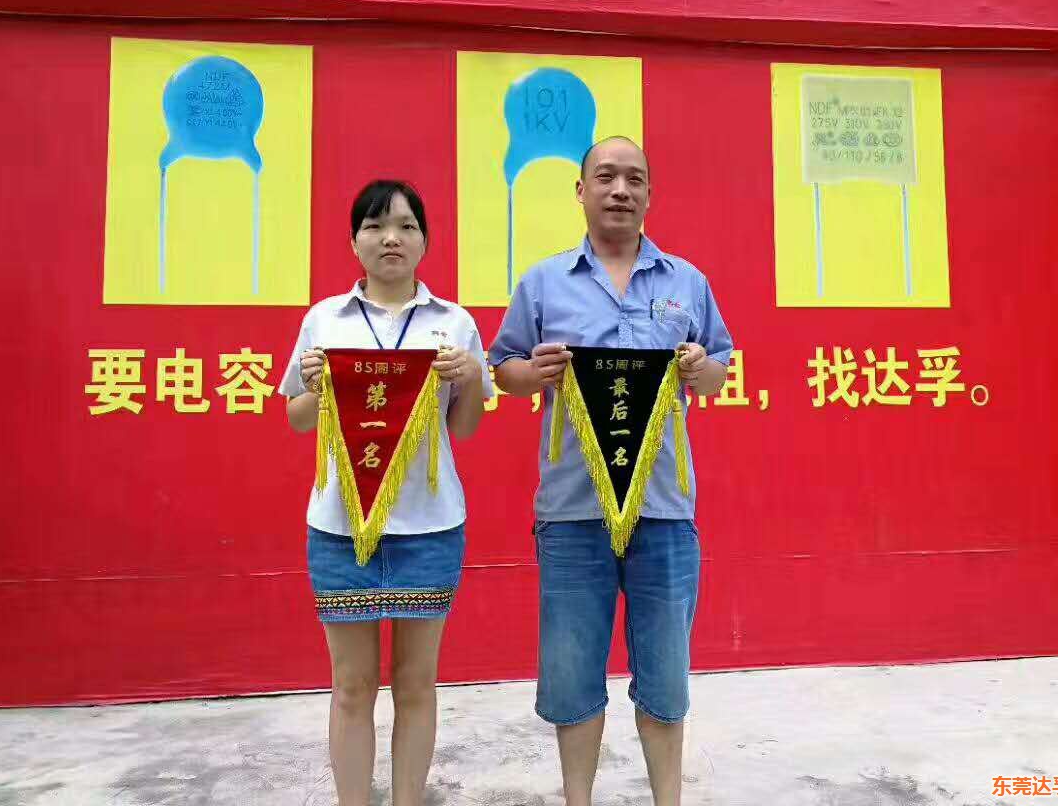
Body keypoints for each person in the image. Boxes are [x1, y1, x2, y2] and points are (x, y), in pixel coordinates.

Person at [489, 137, 733, 806]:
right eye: (605, 177)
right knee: (572, 678)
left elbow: (719, 369)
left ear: (650, 194)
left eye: (634, 179)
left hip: (663, 511)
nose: (620, 190)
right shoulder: (544, 282)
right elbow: (503, 369)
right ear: (581, 191)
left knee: (666, 681)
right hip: (573, 511)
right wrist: (532, 372)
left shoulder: (687, 282)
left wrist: (700, 368)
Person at [279, 179, 489, 806]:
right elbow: (297, 417)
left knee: (416, 684)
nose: (390, 238)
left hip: (429, 528)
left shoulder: (453, 323)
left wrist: (470, 376)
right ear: (354, 242)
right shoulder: (325, 319)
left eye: (405, 226)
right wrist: (318, 386)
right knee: (351, 686)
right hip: (341, 528)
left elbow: (465, 428)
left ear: (425, 240)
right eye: (374, 226)